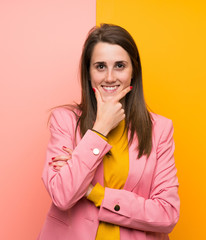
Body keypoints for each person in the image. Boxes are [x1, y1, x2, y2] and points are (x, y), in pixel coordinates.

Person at [37, 23, 180, 240]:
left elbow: (167, 214)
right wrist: (100, 129)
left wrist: (94, 193)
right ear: (89, 72)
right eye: (100, 66)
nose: (110, 77)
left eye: (120, 66)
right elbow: (62, 195)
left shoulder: (159, 129)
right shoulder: (64, 121)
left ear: (134, 72)